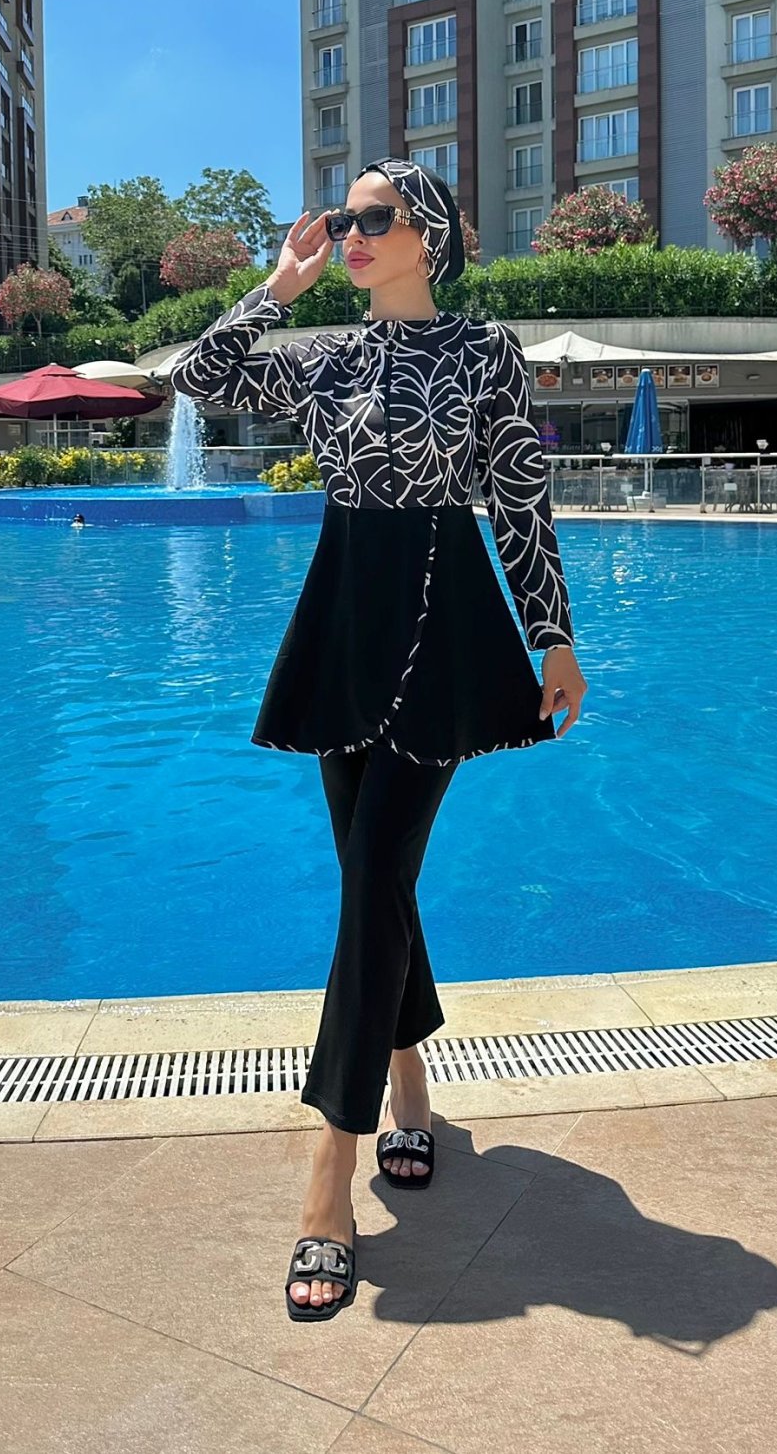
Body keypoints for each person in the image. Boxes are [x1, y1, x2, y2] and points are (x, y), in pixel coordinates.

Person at [169, 158, 587, 1322]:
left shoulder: (483, 351)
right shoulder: (325, 354)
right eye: (342, 217)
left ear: (428, 233)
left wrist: (552, 634)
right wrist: (276, 287)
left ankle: (329, 1171)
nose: (349, 232)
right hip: (342, 616)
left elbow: (518, 495)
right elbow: (195, 381)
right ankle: (409, 1077)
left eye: (372, 217)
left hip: (441, 620)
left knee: (371, 880)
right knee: (375, 877)